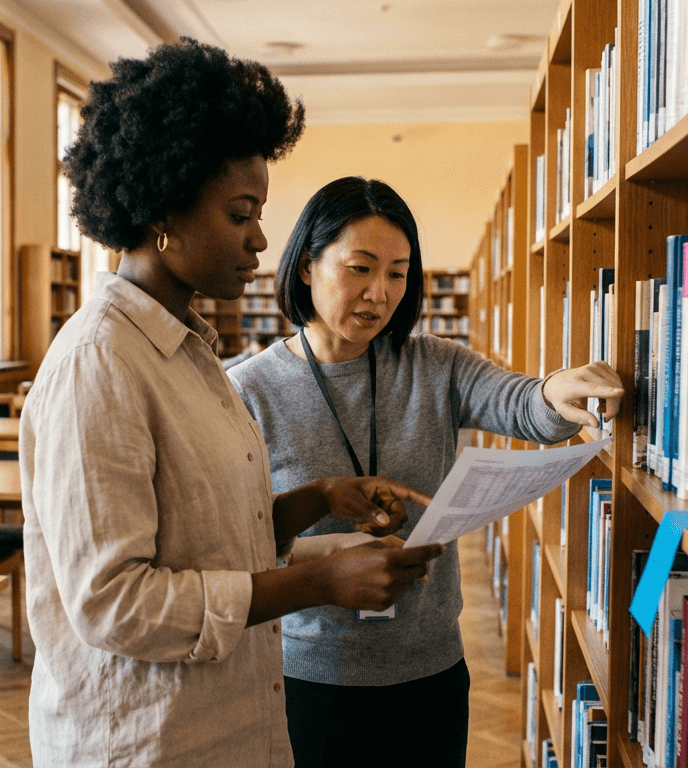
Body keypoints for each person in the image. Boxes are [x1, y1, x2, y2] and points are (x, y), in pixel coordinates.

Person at [20, 40, 446, 767]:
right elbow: (113, 602)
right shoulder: (101, 363)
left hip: (224, 723)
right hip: (146, 739)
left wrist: (317, 499)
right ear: (164, 210)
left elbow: (208, 539)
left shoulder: (189, 349)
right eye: (240, 213)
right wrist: (315, 581)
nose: (260, 240)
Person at [228, 176, 625, 767]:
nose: (378, 293)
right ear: (307, 265)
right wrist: (321, 557)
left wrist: (556, 390)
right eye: (360, 268)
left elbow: (520, 403)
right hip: (304, 675)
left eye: (397, 272)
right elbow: (235, 545)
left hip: (431, 668)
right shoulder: (247, 391)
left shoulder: (434, 362)